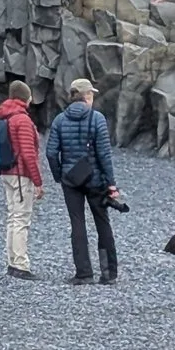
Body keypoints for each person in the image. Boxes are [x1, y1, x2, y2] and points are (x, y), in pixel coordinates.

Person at [44, 78, 121, 285]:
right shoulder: (97, 119)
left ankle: (84, 273)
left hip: (71, 180)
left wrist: (59, 175)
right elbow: (104, 154)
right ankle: (108, 273)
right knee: (102, 223)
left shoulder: (60, 120)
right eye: (91, 93)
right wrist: (111, 183)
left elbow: (51, 153)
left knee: (77, 224)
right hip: (95, 179)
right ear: (86, 95)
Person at [0, 81, 45, 280]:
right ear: (27, 98)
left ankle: (12, 262)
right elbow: (28, 154)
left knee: (13, 217)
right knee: (21, 219)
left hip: (6, 172)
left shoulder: (6, 116)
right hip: (21, 175)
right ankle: (21, 265)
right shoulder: (22, 120)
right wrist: (38, 181)